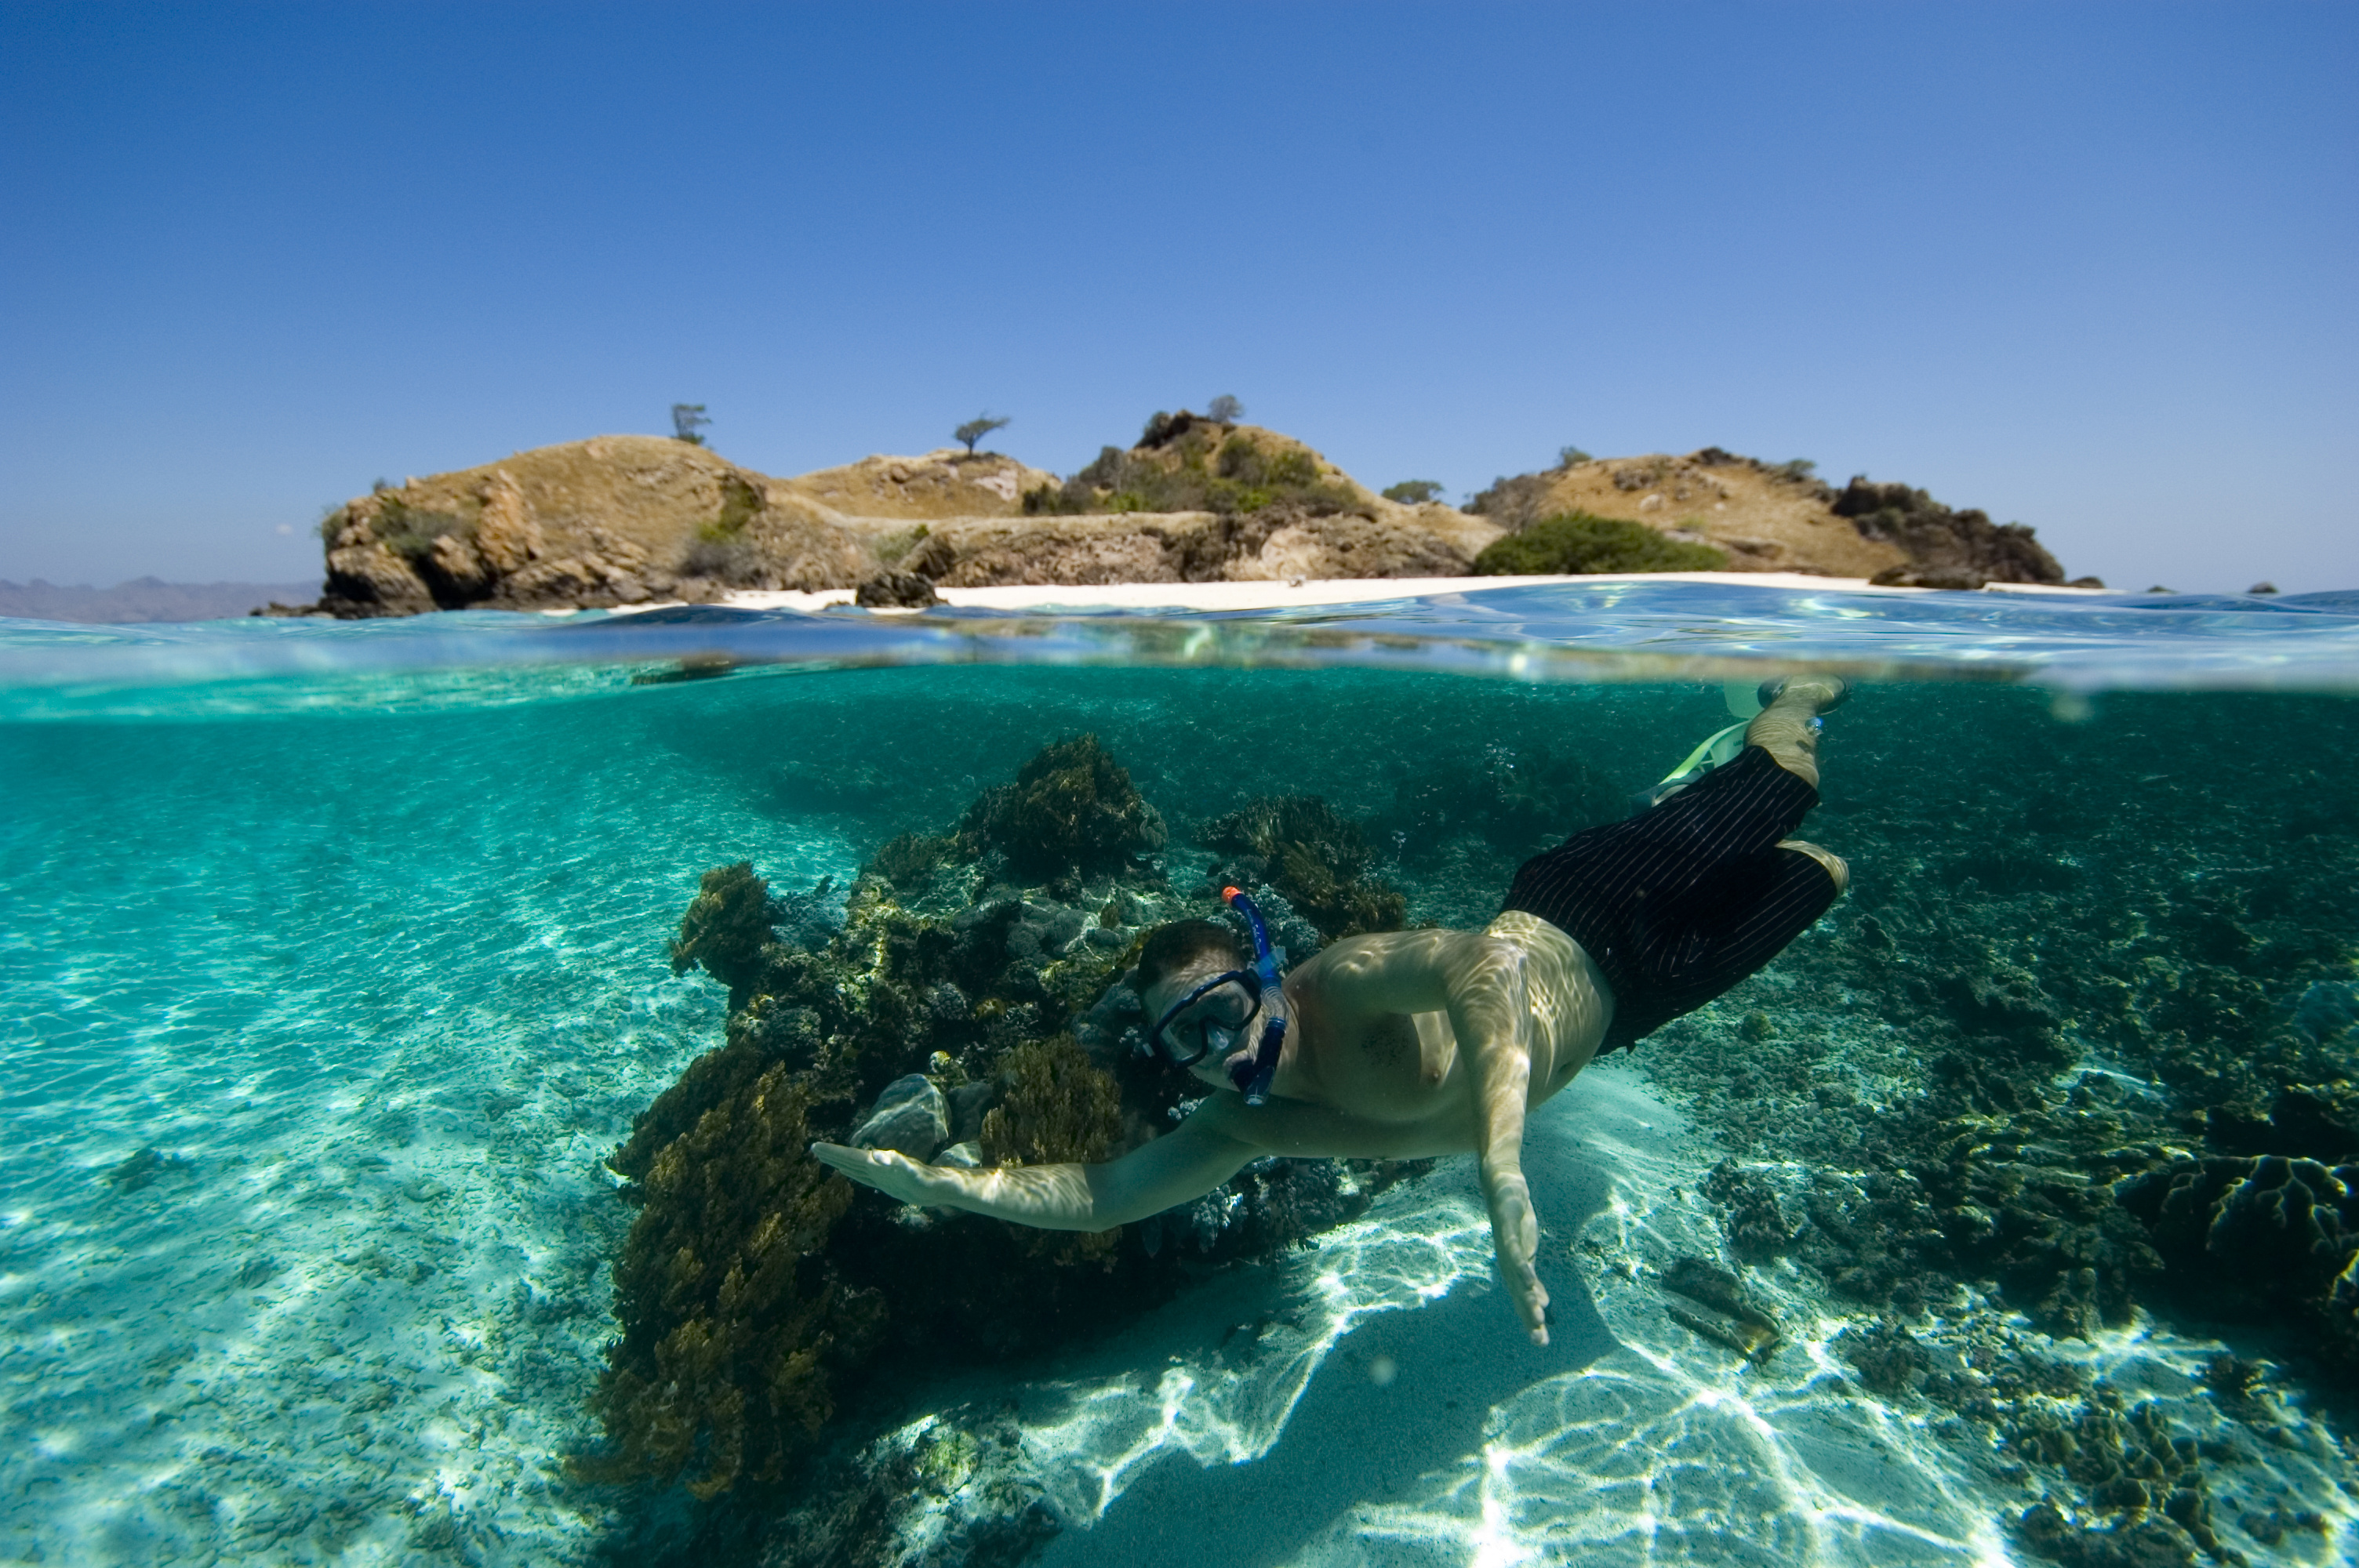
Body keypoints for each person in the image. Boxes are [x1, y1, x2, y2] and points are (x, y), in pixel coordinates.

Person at [812, 677, 1852, 1345]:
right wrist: (962, 1191)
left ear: (1264, 974)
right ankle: (1687, 797)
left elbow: (1486, 969)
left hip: (1586, 908)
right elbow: (1105, 1194)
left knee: (1791, 780)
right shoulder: (1243, 1123)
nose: (1223, 1051)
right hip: (1635, 1004)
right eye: (1188, 1040)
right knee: (1823, 873)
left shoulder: (1344, 984)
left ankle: (1778, 701)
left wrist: (1500, 1162)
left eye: (1223, 1008)